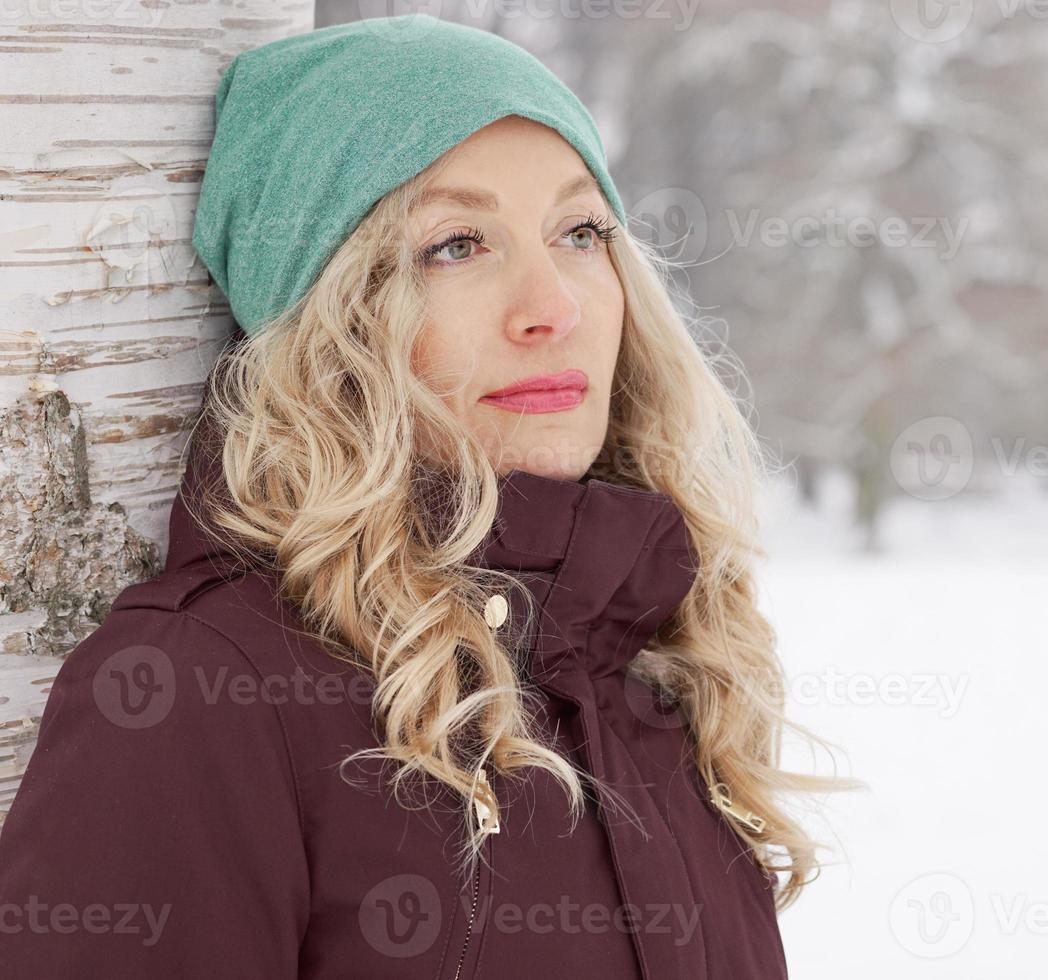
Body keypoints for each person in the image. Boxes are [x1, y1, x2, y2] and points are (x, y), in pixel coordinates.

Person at [0, 15, 856, 977]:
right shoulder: (198, 694)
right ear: (327, 319)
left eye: (580, 232)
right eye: (457, 244)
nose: (554, 307)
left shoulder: (651, 651)